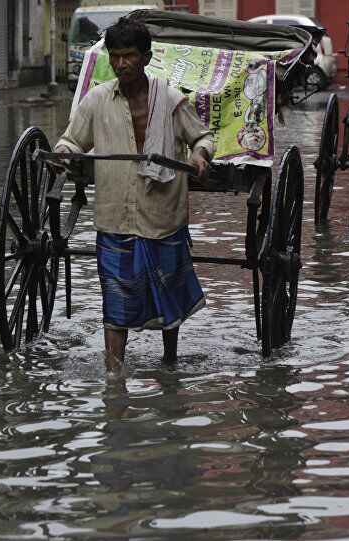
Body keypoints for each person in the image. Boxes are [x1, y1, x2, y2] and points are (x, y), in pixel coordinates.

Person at [54, 17, 214, 370]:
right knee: (115, 302)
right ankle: (114, 376)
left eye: (128, 56)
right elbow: (72, 139)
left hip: (162, 215)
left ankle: (169, 361)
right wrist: (64, 151)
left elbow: (202, 137)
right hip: (115, 218)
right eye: (115, 56)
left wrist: (199, 154)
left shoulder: (170, 100)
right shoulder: (96, 101)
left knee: (168, 294)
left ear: (146, 57)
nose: (121, 64)